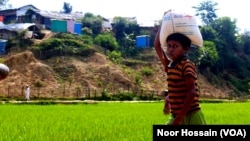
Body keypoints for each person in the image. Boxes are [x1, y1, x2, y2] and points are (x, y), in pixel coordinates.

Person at [154, 26, 206, 125]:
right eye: (169, 46)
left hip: (192, 116)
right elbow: (157, 46)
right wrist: (163, 24)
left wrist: (179, 119)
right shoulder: (169, 65)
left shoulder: (187, 65)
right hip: (176, 115)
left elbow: (191, 93)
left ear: (185, 49)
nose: (170, 49)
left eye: (175, 46)